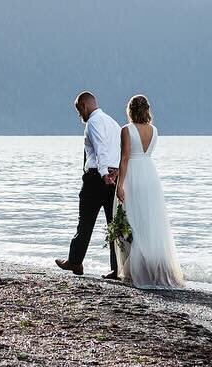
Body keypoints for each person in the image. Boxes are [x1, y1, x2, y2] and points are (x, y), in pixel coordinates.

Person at [115, 93, 185, 288]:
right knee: (150, 222)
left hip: (134, 176)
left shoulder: (126, 129)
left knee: (132, 220)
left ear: (130, 110)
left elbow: (125, 158)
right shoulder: (154, 130)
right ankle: (154, 269)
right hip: (150, 175)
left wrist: (120, 185)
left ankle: (136, 269)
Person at [55, 90, 120, 278]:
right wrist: (116, 174)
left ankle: (75, 261)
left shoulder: (93, 122)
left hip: (96, 178)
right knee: (113, 225)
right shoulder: (113, 123)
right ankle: (116, 268)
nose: (79, 115)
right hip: (114, 178)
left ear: (84, 106)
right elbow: (119, 150)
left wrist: (103, 174)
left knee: (85, 222)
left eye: (78, 111)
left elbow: (100, 149)